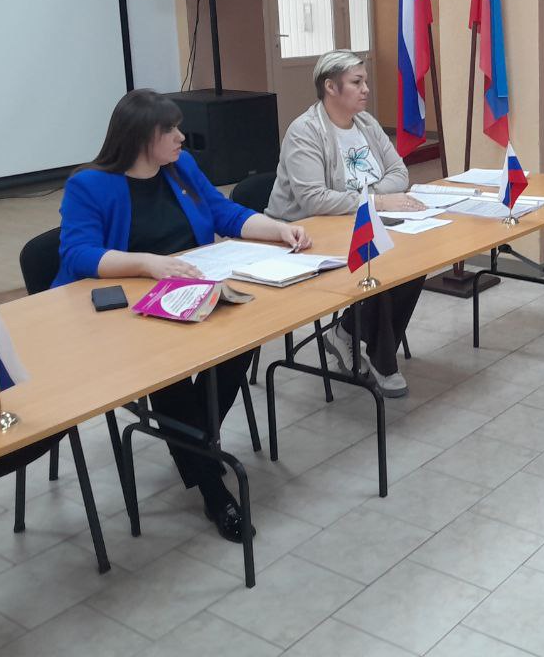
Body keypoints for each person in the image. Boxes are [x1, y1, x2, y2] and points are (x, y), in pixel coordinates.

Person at [54, 88, 311, 542]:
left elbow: (223, 212)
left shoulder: (180, 167)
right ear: (140, 137)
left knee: (244, 338)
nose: (180, 137)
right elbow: (78, 254)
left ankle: (195, 448)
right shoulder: (89, 185)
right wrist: (149, 263)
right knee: (169, 374)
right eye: (169, 130)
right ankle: (212, 487)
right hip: (128, 312)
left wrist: (278, 229)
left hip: (193, 288)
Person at [266, 49, 425, 398]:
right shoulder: (305, 132)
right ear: (330, 87)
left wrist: (371, 200)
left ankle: (348, 332)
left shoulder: (366, 123)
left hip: (357, 222)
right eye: (357, 82)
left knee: (415, 261)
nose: (366, 88)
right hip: (306, 233)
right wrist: (378, 200)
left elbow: (400, 173)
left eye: (364, 81)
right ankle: (383, 360)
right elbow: (315, 200)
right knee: (380, 261)